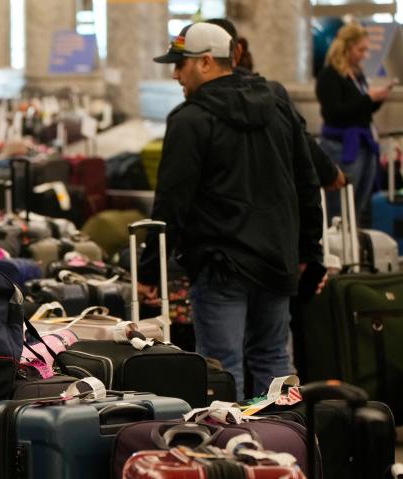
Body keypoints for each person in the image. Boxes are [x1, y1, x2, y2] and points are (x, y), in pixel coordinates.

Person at [138, 22, 324, 401]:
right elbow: (307, 183)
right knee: (274, 359)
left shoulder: (190, 119)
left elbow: (172, 202)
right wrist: (310, 253)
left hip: (220, 264)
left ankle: (229, 454)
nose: (175, 74)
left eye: (181, 64)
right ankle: (284, 447)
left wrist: (147, 270)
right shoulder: (277, 104)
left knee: (220, 368)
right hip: (276, 260)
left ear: (206, 62)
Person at [206, 18, 345, 192]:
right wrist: (329, 173)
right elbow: (301, 142)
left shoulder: (198, 108)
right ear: (237, 51)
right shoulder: (273, 93)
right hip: (272, 203)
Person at [316, 21, 394, 222]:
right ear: (347, 47)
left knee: (359, 206)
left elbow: (361, 110)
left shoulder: (357, 75)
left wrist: (378, 98)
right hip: (340, 146)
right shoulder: (329, 76)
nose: (364, 55)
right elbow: (335, 112)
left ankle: (355, 246)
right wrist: (368, 99)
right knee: (340, 207)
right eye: (361, 49)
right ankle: (338, 249)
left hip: (363, 143)